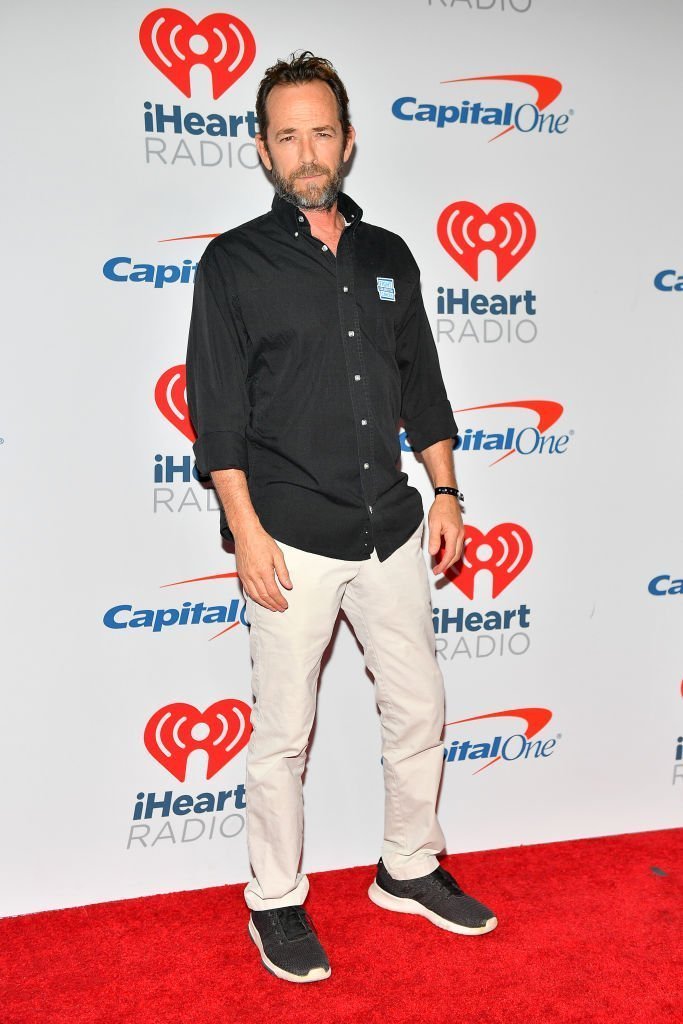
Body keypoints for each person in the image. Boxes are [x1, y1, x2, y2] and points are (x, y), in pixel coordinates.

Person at [185, 50, 497, 984]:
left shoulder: (387, 255)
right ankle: (275, 899)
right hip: (287, 534)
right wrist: (243, 529)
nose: (306, 150)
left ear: (348, 140)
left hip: (392, 524)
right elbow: (219, 409)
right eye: (287, 135)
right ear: (262, 150)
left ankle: (407, 866)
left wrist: (444, 491)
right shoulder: (233, 262)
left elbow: (423, 388)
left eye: (321, 131)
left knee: (418, 707)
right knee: (283, 730)